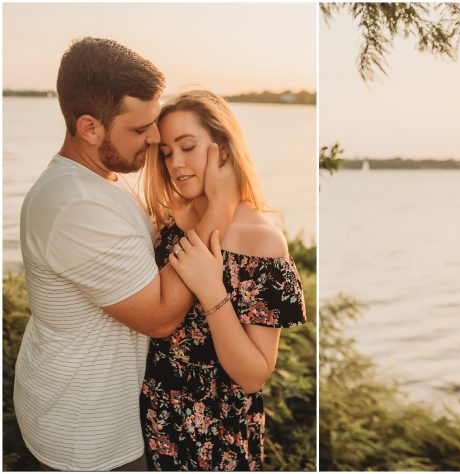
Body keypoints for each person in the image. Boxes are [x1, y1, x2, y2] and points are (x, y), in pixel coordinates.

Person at [14, 37, 236, 471]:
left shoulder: (103, 178)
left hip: (96, 409)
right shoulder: (75, 203)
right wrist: (218, 208)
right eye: (140, 129)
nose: (155, 138)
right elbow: (159, 315)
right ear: (90, 127)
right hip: (85, 433)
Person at [139, 89, 307, 471]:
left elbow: (252, 375)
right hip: (153, 424)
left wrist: (213, 292)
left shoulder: (260, 240)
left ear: (224, 150)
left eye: (187, 147)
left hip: (217, 440)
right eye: (166, 152)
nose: (175, 163)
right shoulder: (166, 223)